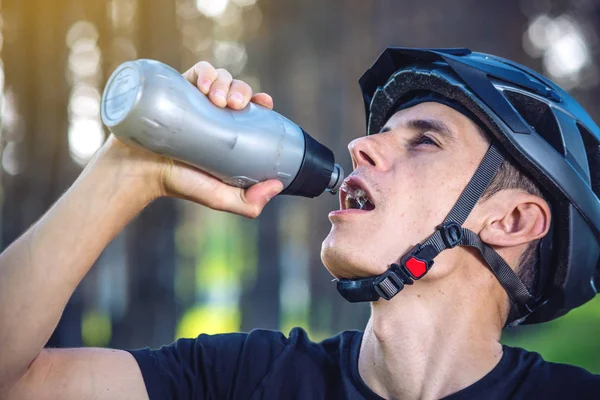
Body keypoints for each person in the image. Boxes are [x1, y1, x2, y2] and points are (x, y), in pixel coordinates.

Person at [0, 47, 599, 400]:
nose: (362, 145)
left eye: (424, 142)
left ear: (513, 220)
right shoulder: (245, 379)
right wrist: (130, 168)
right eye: (379, 132)